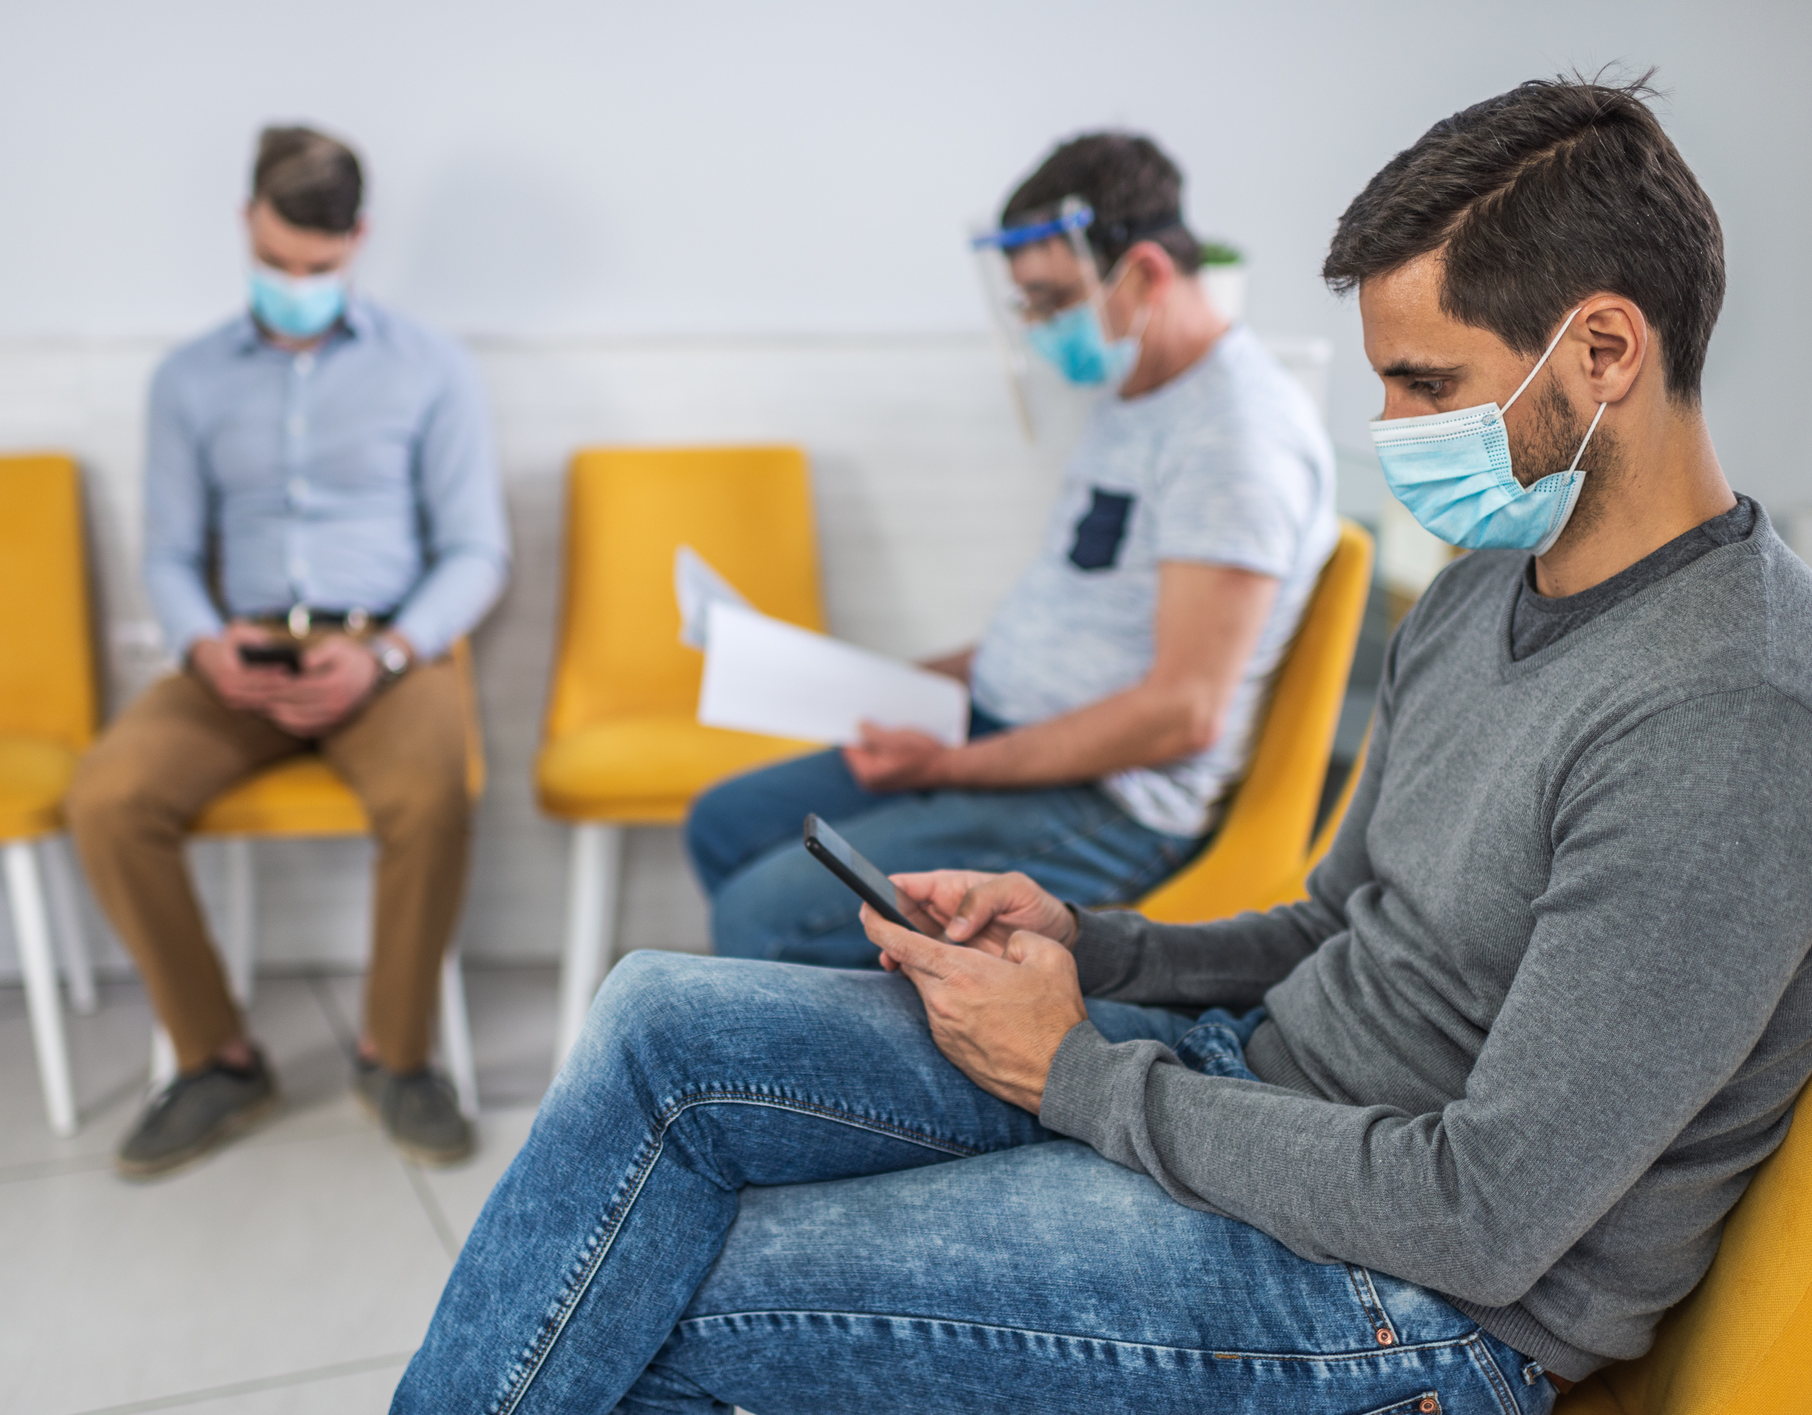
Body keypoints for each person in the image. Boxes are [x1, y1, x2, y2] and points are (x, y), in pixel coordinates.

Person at [392, 77, 1812, 1414]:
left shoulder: (1723, 711)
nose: (1386, 431)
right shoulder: (1483, 581)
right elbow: (1329, 920)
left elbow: (1483, 1212)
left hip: (1412, 1303)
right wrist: (1091, 942)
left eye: (1423, 383)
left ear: (1604, 351)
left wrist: (1075, 1074)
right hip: (1253, 1085)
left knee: (667, 1284)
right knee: (654, 1023)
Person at [685, 132, 1337, 969]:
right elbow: (1065, 618)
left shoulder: (1234, 438)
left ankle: (849, 1082)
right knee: (723, 824)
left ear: (1140, 274)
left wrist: (956, 763)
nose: (1036, 326)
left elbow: (1182, 712)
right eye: (1025, 304)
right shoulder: (1133, 397)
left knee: (761, 919)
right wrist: (866, 683)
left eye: (1050, 299)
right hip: (1007, 732)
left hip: (1106, 797)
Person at [67, 126, 509, 1178]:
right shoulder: (186, 381)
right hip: (241, 651)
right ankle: (217, 1058)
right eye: (276, 261)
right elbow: (170, 550)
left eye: (319, 267)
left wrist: (391, 654)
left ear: (357, 240)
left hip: (386, 647)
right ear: (245, 225)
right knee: (107, 796)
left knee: (430, 794)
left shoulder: (431, 368)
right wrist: (202, 644)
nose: (295, 284)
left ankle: (393, 1056)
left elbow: (476, 550)